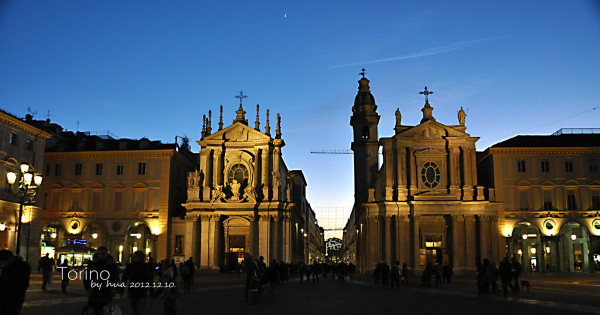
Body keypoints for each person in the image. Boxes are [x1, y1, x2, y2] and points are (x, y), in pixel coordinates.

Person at [83, 246, 120, 315]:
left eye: (103, 254)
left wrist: (115, 288)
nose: (101, 256)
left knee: (106, 310)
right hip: (95, 291)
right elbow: (87, 277)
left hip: (107, 290)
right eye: (100, 254)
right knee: (95, 310)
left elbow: (115, 278)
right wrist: (88, 288)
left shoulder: (111, 265)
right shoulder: (92, 265)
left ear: (106, 254)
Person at [122, 251, 153, 315]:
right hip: (133, 291)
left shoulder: (144, 266)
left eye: (135, 257)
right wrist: (122, 288)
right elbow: (124, 278)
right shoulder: (130, 266)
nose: (133, 258)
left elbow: (149, 279)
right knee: (134, 309)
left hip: (140, 291)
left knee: (139, 310)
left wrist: (151, 290)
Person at [0, 250, 30, 315]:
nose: (3, 265)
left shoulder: (23, 266)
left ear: (10, 258)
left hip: (14, 299)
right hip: (4, 298)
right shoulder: (6, 267)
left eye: (4, 262)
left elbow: (23, 284)